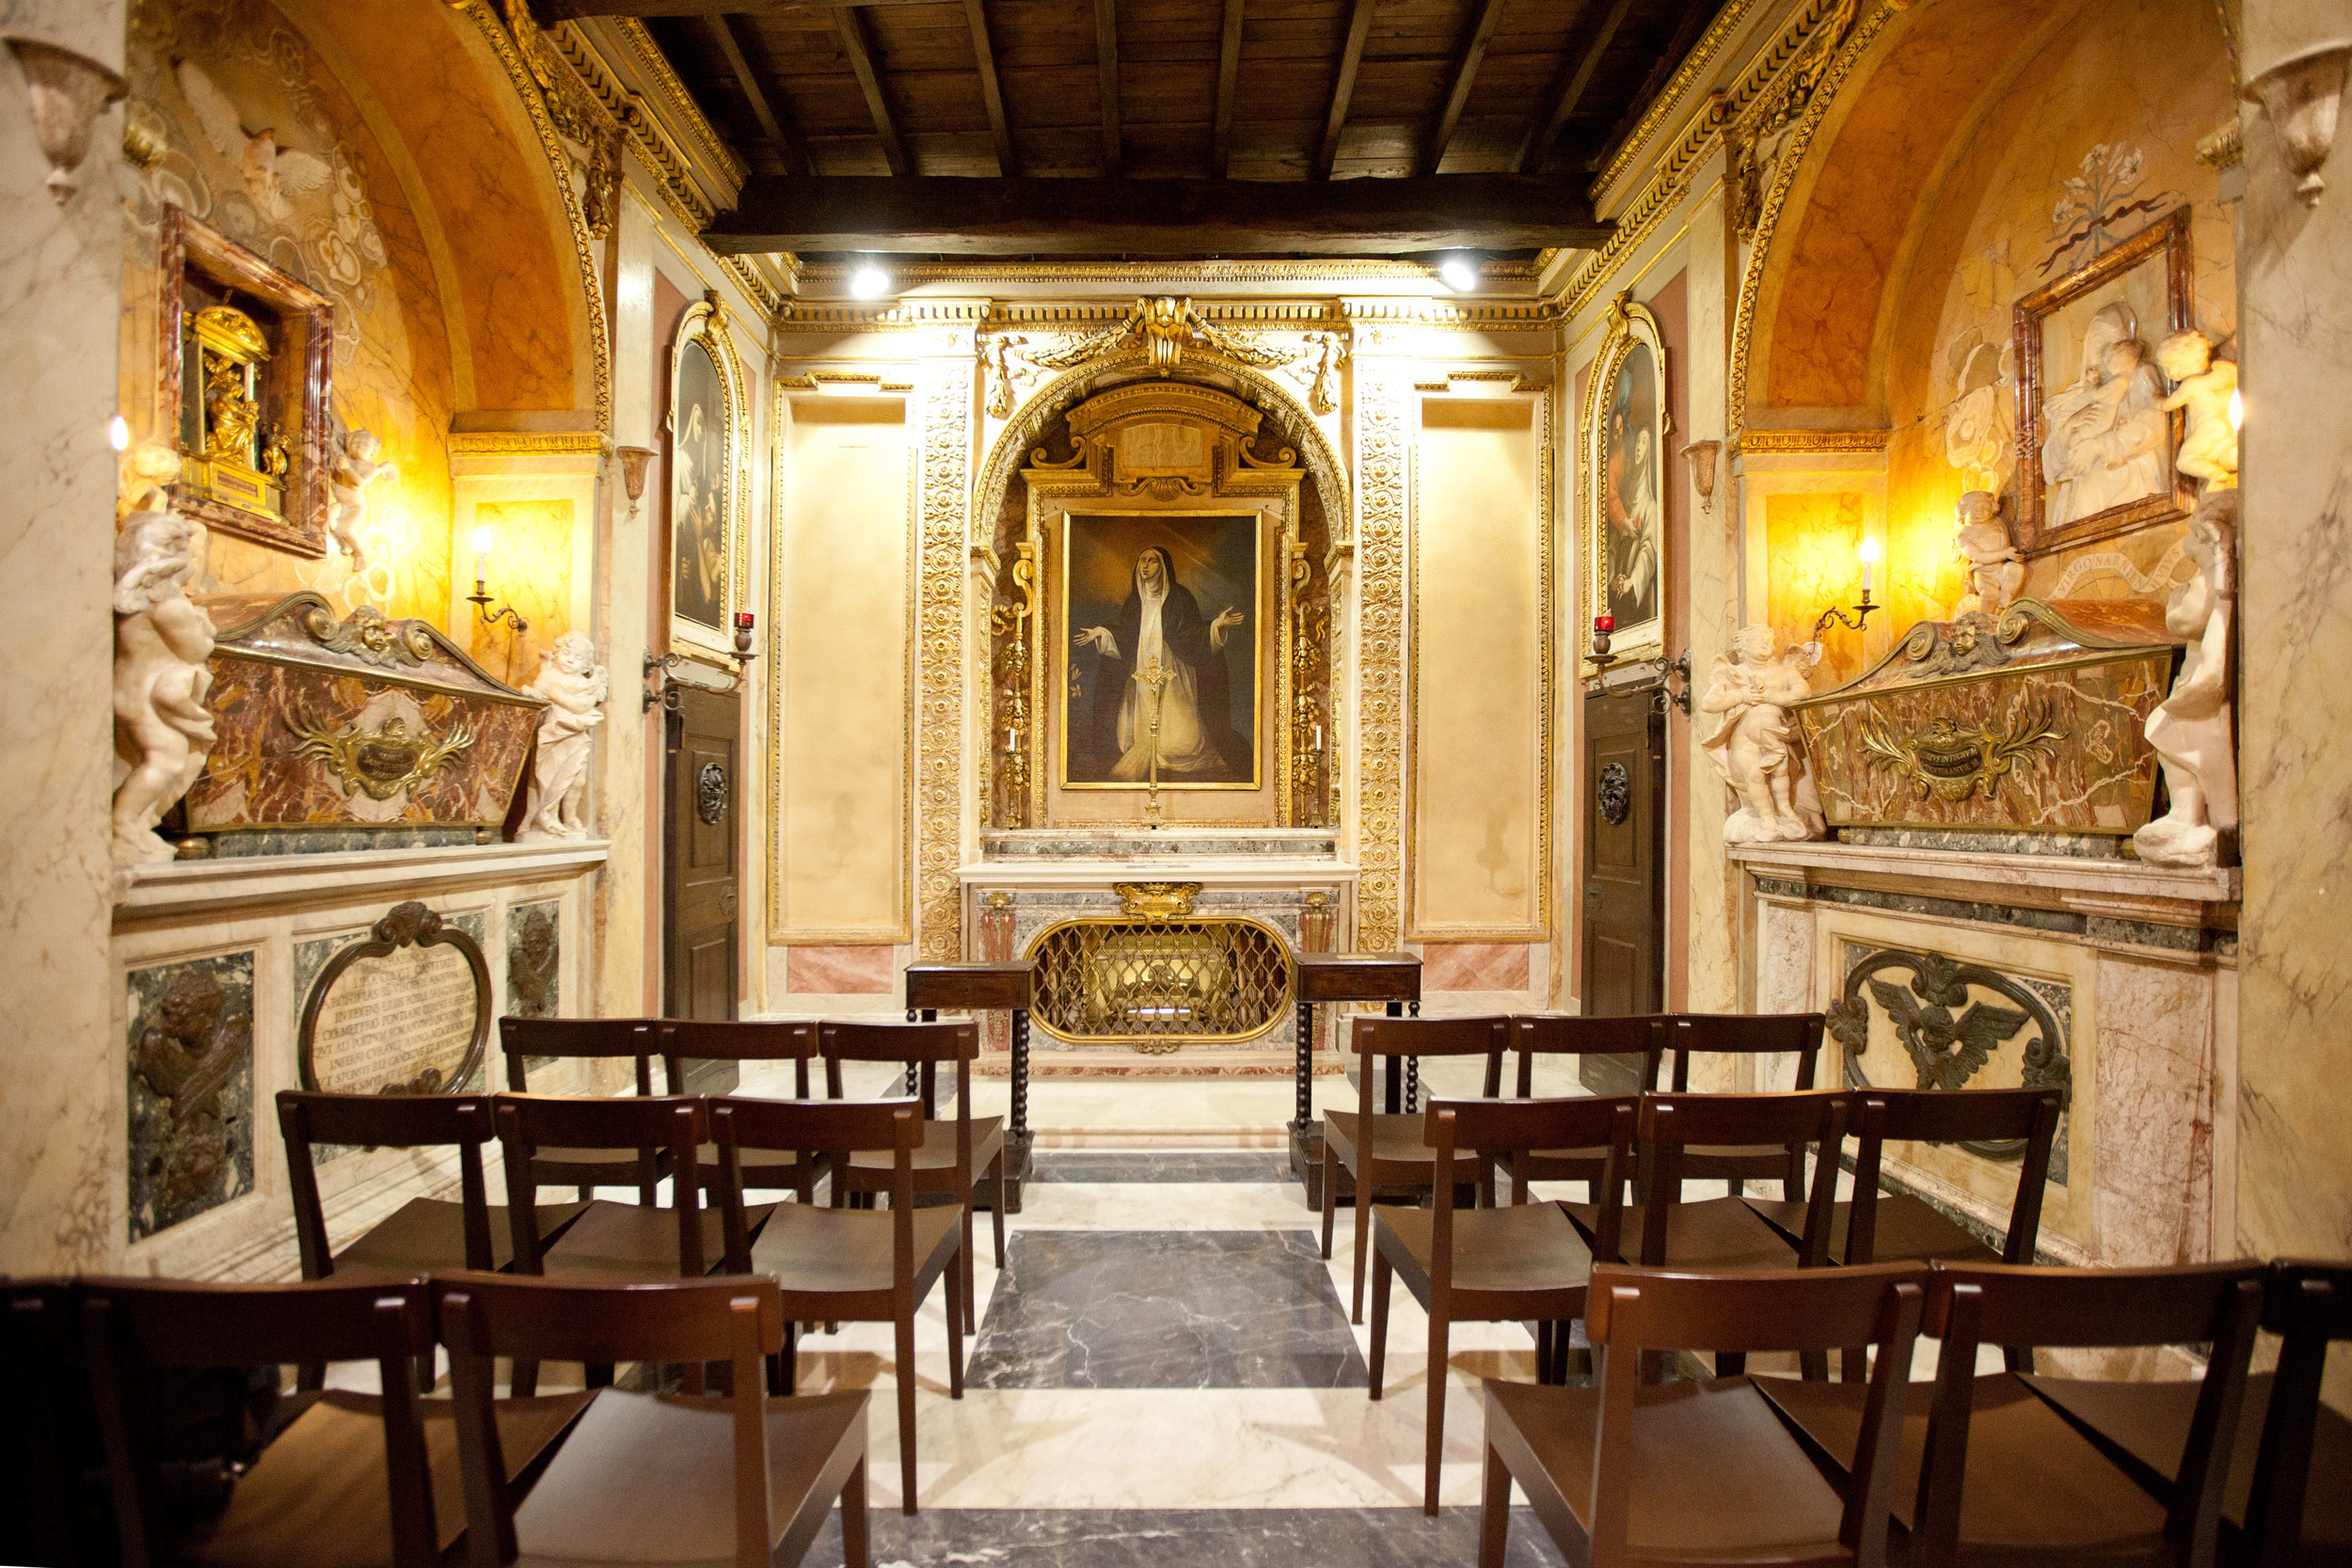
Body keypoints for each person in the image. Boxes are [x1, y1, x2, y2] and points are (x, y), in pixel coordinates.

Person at [1074, 546, 1245, 782]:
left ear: (1163, 566)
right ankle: (1150, 751)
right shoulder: (1136, 600)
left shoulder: (1180, 597)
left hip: (1175, 666)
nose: (1145, 566)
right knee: (1145, 708)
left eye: (1152, 561)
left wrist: (1216, 626)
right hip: (1143, 664)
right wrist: (1101, 632)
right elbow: (1123, 629)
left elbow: (1192, 634)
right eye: (1142, 560)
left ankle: (1173, 754)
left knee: (1178, 722)